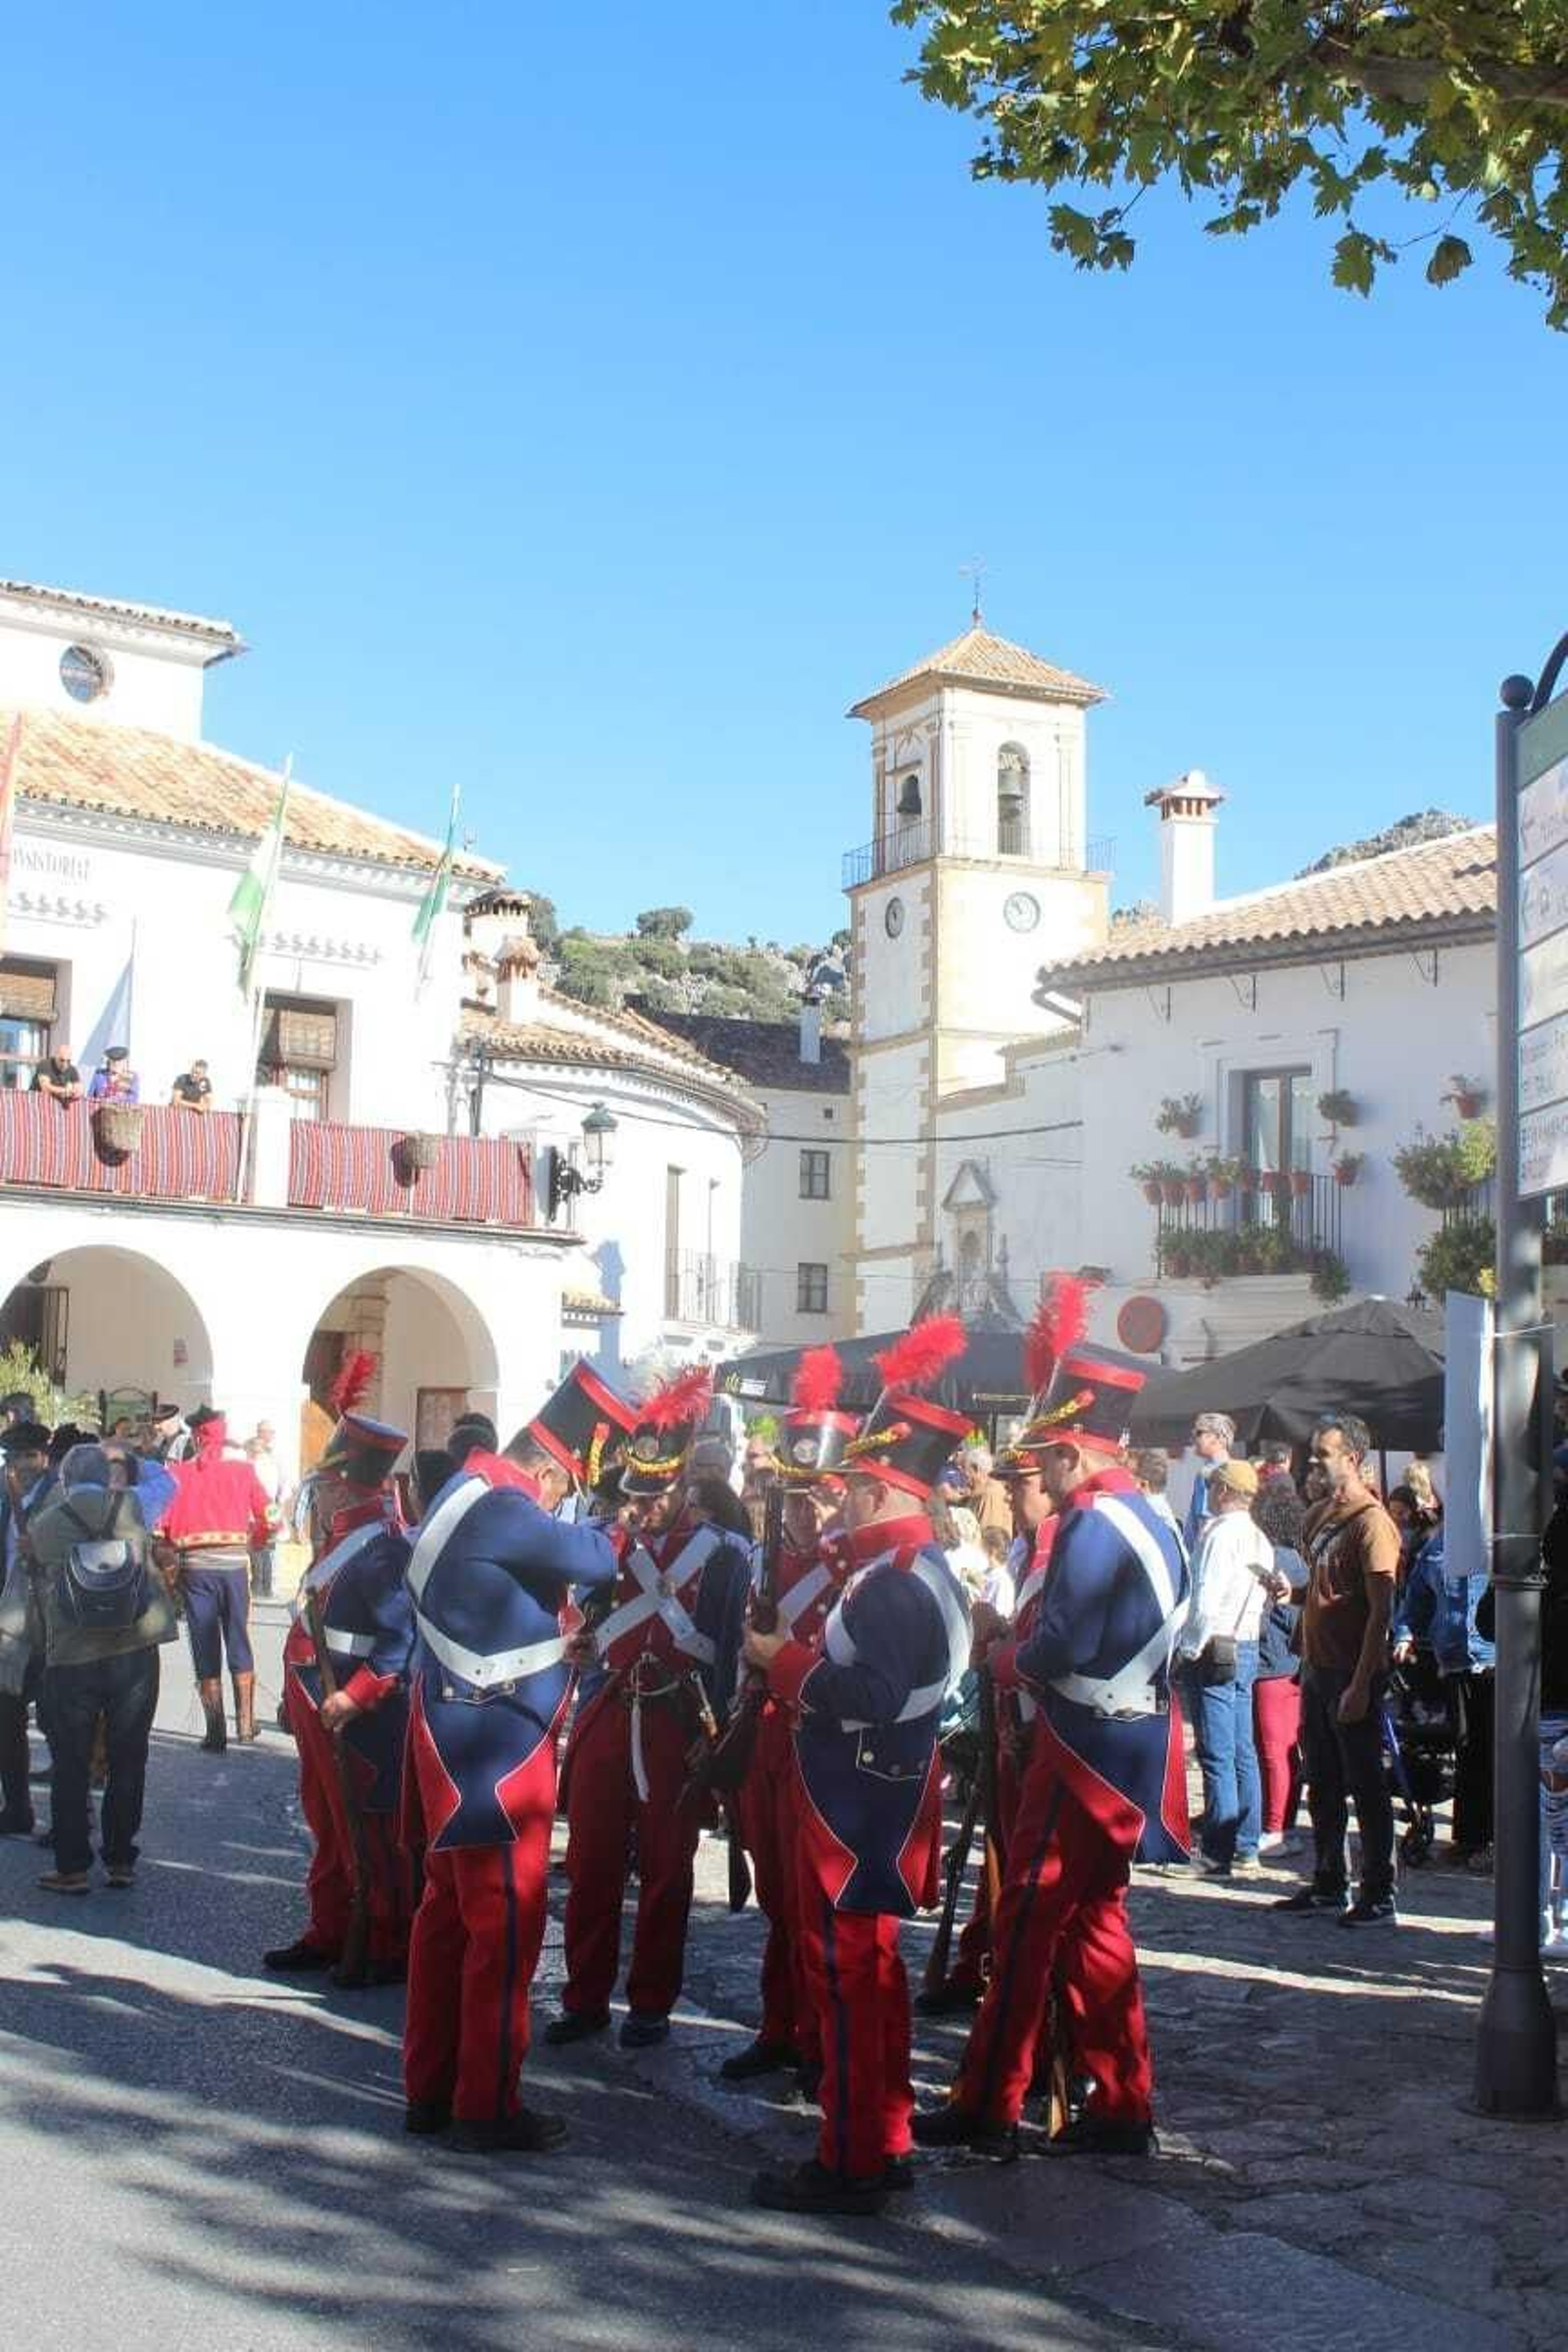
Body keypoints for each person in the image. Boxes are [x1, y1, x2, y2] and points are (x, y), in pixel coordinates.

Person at [914, 1325, 1190, 2164]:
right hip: (1128, 1744)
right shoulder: (1156, 1517)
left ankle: (989, 2100)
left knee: (1027, 1922)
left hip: (1079, 1748)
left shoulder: (1090, 1526)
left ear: (1070, 1450)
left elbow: (1061, 1645)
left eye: (1049, 1457)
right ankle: (1123, 2100)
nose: (1046, 1475)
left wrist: (1005, 1656)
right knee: (1098, 1923)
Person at [745, 1314, 971, 2217]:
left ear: (883, 1489)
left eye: (850, 1490)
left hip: (858, 1801)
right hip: (883, 1794)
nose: (835, 1504)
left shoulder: (894, 1583)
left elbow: (870, 1694)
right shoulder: (917, 1571)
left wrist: (781, 1665)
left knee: (851, 1981)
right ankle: (884, 2134)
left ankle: (850, 2157)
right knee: (871, 1978)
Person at [402, 1360, 637, 2153]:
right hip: (497, 1747)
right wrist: (613, 1513)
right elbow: (598, 1558)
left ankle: (428, 2087)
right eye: (561, 1486)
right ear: (545, 1469)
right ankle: (485, 2102)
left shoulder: (457, 1492)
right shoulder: (504, 1505)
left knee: (443, 1920)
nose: (557, 1499)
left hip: (451, 1732)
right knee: (502, 1930)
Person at [547, 1366, 752, 2053]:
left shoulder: (725, 1556)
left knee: (668, 1871)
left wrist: (717, 1735)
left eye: (658, 1494)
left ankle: (651, 2001)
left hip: (677, 1719)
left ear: (684, 1481)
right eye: (638, 1493)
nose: (646, 1506)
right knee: (590, 1864)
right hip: (611, 1706)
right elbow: (588, 1615)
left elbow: (728, 1651)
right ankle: (583, 1996)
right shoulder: (609, 1543)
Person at [725, 1345, 858, 2089]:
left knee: (814, 1905)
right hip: (770, 1737)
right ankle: (780, 2025)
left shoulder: (859, 1574)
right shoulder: (772, 1562)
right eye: (796, 1500)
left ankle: (817, 2039)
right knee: (777, 1897)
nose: (806, 1513)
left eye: (820, 1499)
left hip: (823, 1748)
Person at [267, 1379, 415, 1984]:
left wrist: (354, 1697)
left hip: (355, 1714)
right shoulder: (343, 1541)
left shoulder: (381, 1550)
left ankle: (382, 1939)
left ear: (342, 1485)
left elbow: (398, 1645)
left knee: (368, 1831)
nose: (315, 1498)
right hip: (316, 1701)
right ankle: (329, 1929)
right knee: (326, 1824)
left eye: (321, 1486)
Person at [24, 1444, 178, 1893]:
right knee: (129, 1756)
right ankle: (120, 1861)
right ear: (110, 1475)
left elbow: (33, 1562)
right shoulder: (135, 1506)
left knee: (70, 1762)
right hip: (134, 1647)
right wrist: (128, 1452)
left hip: (73, 1655)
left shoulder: (48, 1522)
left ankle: (71, 1866)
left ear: (65, 1481)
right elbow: (167, 1480)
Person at [1274, 1412, 1401, 1927]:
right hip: (1316, 1664)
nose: (1316, 1461)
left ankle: (1379, 1890)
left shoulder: (1373, 1524)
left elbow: (1381, 1611)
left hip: (1352, 1669)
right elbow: (1328, 1588)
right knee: (1321, 1779)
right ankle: (1329, 1878)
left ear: (1352, 1457)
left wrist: (1361, 1682)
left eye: (1325, 1453)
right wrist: (1294, 1593)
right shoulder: (1318, 1517)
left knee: (1366, 1783)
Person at [1177, 1459, 1287, 1877]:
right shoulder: (1259, 1537)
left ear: (1222, 1491)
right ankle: (1246, 1844)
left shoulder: (1220, 1535)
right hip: (1246, 1643)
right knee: (1243, 1749)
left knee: (1217, 1752)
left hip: (1215, 1645)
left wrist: (1188, 1649)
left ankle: (1217, 1851)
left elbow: (1206, 1597)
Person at [162, 1408, 271, 1749]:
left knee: (204, 1642)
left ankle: (215, 1732)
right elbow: (270, 1516)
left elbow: (161, 1528)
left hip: (196, 1569)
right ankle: (246, 1723)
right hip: (236, 1568)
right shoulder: (244, 1471)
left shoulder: (177, 1475)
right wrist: (258, 1539)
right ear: (222, 1436)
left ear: (196, 1437)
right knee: (238, 1637)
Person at [1394, 1485, 1493, 1864]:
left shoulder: (1498, 1539)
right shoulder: (1439, 1545)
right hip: (1454, 1659)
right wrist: (1404, 1632)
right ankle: (1469, 1837)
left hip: (1496, 1658)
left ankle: (1493, 1839)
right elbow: (1416, 1595)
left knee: (1494, 1751)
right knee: (1467, 1747)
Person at [0, 1421, 56, 1834]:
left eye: (30, 1455)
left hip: (52, 1622)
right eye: (16, 1457)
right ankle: (17, 1808)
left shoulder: (60, 1496)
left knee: (58, 1720)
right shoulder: (4, 1498)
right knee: (6, 1717)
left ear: (45, 1457)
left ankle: (72, 1820)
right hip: (10, 1621)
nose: (23, 1464)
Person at [1251, 1469, 1307, 1858]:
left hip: (1277, 1664)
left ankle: (1277, 1826)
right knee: (1276, 1749)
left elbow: (1292, 1615)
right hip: (1279, 1663)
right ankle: (1275, 1821)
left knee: (1275, 1750)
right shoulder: (1292, 1556)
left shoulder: (1279, 1559)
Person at [1182, 1413, 1236, 1551]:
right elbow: (1194, 1521)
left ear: (1218, 1437)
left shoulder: (1232, 1473)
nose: (1194, 1438)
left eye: (1199, 1433)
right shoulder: (1204, 1472)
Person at [246, 1422, 285, 1599]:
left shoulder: (254, 1465)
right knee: (267, 1549)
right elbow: (283, 1487)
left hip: (257, 1510)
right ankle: (266, 1586)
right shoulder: (274, 1462)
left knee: (256, 1548)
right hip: (271, 1508)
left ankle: (258, 1585)